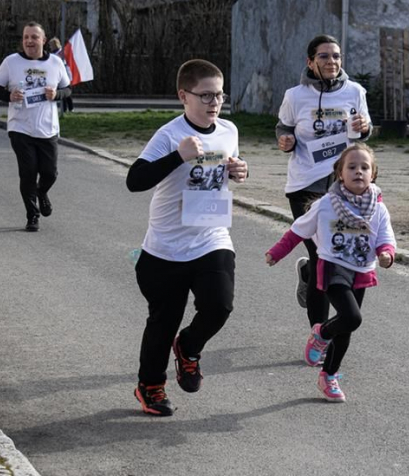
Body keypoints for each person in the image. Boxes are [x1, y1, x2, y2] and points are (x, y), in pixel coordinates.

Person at [126, 59, 248, 416]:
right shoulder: (168, 135)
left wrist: (240, 169)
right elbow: (135, 180)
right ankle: (150, 387)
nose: (214, 103)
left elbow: (230, 164)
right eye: (206, 95)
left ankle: (189, 348)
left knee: (219, 305)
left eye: (220, 95)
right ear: (184, 95)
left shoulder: (228, 130)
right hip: (165, 248)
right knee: (163, 322)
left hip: (212, 237)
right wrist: (178, 156)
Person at [265, 143, 395, 402]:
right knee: (352, 317)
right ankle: (322, 333)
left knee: (346, 328)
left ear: (373, 174)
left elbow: (385, 236)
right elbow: (298, 230)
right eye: (352, 167)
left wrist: (386, 254)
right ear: (340, 173)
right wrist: (276, 252)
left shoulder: (378, 208)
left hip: (360, 269)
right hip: (333, 266)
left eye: (364, 167)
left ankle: (329, 376)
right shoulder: (326, 205)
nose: (358, 171)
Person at [275, 34, 373, 366]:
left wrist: (365, 126)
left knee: (334, 258)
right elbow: (282, 128)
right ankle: (319, 333)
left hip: (343, 186)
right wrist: (285, 140)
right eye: (325, 56)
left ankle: (320, 310)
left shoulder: (355, 91)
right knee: (322, 256)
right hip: (306, 186)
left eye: (337, 56)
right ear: (310, 61)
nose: (332, 62)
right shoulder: (295, 95)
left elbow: (364, 132)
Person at [0, 22, 71, 232]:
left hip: (48, 128)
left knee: (50, 173)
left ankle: (41, 192)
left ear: (43, 41)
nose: (29, 41)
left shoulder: (55, 62)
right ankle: (32, 215)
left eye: (34, 37)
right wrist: (8, 96)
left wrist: (56, 95)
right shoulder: (11, 62)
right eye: (26, 37)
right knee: (28, 172)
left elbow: (68, 89)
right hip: (20, 127)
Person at [48, 37, 75, 113]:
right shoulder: (52, 54)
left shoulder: (61, 53)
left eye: (51, 45)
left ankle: (70, 108)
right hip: (57, 75)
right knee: (61, 92)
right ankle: (64, 109)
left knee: (67, 92)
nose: (50, 47)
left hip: (65, 74)